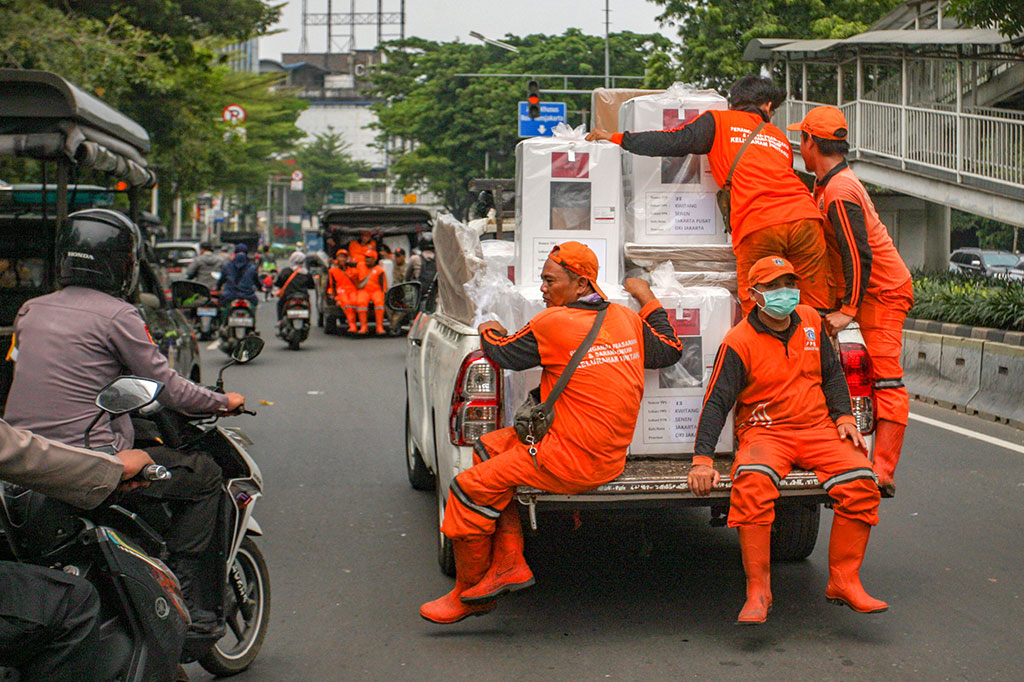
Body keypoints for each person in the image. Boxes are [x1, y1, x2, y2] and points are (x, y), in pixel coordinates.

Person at [3, 208, 246, 638]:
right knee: (205, 477)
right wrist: (223, 400)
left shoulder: (30, 310)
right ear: (124, 264)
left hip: (25, 462)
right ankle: (199, 612)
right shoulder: (120, 315)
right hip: (90, 463)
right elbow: (169, 388)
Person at [420, 241, 684, 624]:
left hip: (570, 460)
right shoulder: (625, 318)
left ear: (580, 285)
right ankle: (509, 560)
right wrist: (646, 297)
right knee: (489, 447)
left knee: (467, 488)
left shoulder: (552, 323)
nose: (542, 288)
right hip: (607, 454)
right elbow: (670, 350)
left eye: (549, 280)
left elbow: (503, 352)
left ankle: (469, 595)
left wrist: (488, 326)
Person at [688, 256, 885, 625]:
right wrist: (703, 459)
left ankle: (844, 580)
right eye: (774, 286)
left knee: (862, 481)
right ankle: (758, 590)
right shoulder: (738, 341)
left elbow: (832, 375)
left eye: (789, 284)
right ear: (754, 294)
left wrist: (844, 416)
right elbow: (717, 401)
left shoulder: (810, 320)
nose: (784, 293)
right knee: (752, 486)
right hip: (767, 434)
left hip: (817, 430)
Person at [587, 75, 832, 314]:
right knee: (813, 301)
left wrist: (616, 137)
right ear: (767, 106)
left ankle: (763, 352)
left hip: (760, 221)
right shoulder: (778, 137)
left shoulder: (718, 120)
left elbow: (674, 142)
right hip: (806, 217)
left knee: (758, 301)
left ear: (734, 102)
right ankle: (816, 348)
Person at [789, 105, 914, 497]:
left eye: (801, 139)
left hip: (884, 291)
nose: (799, 146)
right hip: (868, 290)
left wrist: (848, 309)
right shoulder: (828, 183)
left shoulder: (840, 191)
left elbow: (858, 253)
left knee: (886, 378)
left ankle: (883, 471)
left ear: (810, 142)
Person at [0, 420, 154, 682]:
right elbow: (19, 451)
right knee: (73, 602)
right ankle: (200, 609)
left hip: (62, 458)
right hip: (90, 460)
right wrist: (115, 469)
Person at [220, 242, 262, 313]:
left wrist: (218, 287)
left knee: (222, 306)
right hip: (248, 296)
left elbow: (221, 280)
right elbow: (257, 281)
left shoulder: (228, 266)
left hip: (230, 295)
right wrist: (261, 288)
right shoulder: (252, 267)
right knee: (255, 303)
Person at [273, 250, 315, 320]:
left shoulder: (286, 271)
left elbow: (278, 283)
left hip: (288, 296)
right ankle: (307, 320)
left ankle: (280, 320)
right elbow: (311, 286)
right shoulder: (306, 273)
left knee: (280, 304)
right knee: (308, 305)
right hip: (303, 296)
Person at [355, 249, 387, 335]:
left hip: (376, 290)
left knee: (379, 303)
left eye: (369, 258)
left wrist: (384, 294)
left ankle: (379, 327)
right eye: (366, 257)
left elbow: (383, 284)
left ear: (374, 259)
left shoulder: (380, 270)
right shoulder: (360, 265)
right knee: (361, 303)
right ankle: (363, 327)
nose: (367, 260)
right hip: (363, 290)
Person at [327, 249, 359, 332]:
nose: (342, 259)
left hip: (352, 290)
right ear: (337, 258)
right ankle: (352, 325)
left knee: (354, 303)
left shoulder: (353, 270)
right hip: (341, 291)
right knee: (347, 305)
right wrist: (336, 298)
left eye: (344, 257)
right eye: (340, 257)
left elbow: (357, 282)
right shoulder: (332, 271)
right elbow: (332, 285)